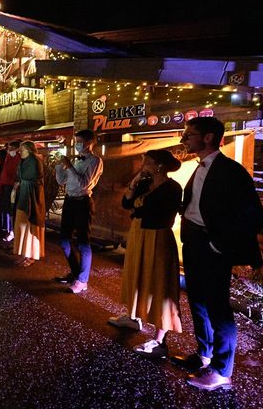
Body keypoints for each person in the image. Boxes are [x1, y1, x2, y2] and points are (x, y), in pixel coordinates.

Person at [173, 117, 263, 391]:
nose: (184, 139)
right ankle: (205, 355)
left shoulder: (231, 171)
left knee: (217, 307)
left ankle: (222, 371)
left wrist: (220, 245)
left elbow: (250, 214)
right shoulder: (199, 167)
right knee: (197, 301)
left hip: (212, 247)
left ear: (209, 137)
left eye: (190, 134)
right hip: (193, 242)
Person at [109, 150, 183, 359]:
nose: (143, 164)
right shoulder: (143, 183)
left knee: (158, 284)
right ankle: (134, 317)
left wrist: (137, 211)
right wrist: (134, 183)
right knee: (137, 276)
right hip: (139, 235)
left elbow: (159, 213)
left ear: (158, 165)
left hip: (157, 237)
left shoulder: (172, 187)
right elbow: (126, 203)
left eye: (147, 161)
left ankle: (159, 339)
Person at [55, 129, 104, 294]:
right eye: (76, 141)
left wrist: (70, 167)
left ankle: (82, 280)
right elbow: (62, 180)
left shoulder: (95, 161)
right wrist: (60, 166)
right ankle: (75, 273)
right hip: (69, 200)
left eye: (80, 141)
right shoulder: (76, 161)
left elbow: (84, 183)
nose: (77, 145)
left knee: (83, 242)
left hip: (83, 202)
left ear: (90, 142)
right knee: (64, 240)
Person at [11, 141, 45, 267]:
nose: (20, 152)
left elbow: (25, 175)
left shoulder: (34, 161)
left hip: (31, 198)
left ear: (29, 150)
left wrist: (20, 180)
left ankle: (31, 255)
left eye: (22, 149)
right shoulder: (26, 161)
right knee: (22, 225)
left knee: (30, 226)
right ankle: (25, 253)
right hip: (24, 195)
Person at [0, 140, 21, 243]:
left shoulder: (19, 158)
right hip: (5, 186)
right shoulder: (8, 157)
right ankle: (8, 229)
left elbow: (12, 172)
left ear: (17, 149)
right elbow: (4, 173)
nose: (9, 150)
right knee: (6, 209)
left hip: (13, 187)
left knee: (12, 210)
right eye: (9, 148)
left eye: (11, 148)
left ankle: (12, 231)